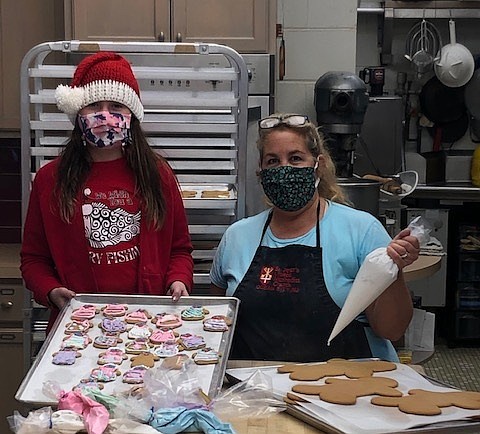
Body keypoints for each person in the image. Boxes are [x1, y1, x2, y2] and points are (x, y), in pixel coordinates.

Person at [210, 113, 420, 362]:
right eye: (273, 161)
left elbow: (391, 329)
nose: (284, 170)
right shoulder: (238, 237)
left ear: (317, 165)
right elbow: (217, 322)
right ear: (261, 171)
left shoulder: (361, 231)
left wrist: (395, 270)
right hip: (255, 391)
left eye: (296, 159)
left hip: (347, 388)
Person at [21, 52, 194, 331]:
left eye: (116, 105)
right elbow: (33, 260)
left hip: (148, 322)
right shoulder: (49, 180)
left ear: (132, 115)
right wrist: (51, 291)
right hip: (78, 325)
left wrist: (179, 279)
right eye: (93, 106)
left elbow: (180, 249)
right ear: (78, 114)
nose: (105, 115)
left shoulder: (158, 175)